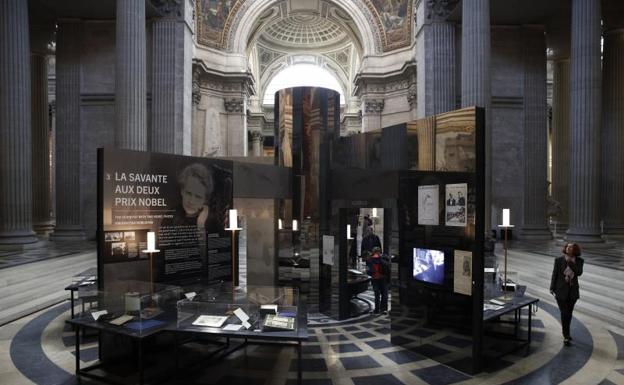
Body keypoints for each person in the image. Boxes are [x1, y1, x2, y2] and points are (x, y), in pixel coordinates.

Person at [163, 163, 221, 234]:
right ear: (182, 191)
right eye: (188, 193)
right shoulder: (170, 215)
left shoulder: (212, 222)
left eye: (198, 196)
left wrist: (200, 224)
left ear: (205, 199)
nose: (191, 201)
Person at [550, 242, 584, 346]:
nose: (569, 249)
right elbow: (554, 274)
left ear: (575, 250)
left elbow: (578, 273)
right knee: (564, 313)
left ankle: (566, 332)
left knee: (569, 314)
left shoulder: (579, 261)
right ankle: (566, 335)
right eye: (567, 247)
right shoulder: (559, 260)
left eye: (571, 247)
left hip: (572, 291)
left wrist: (571, 264)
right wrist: (552, 287)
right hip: (560, 290)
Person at [366, 246, 390, 314]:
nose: (376, 254)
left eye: (378, 252)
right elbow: (368, 270)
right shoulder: (369, 260)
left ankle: (382, 309)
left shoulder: (383, 259)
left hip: (382, 279)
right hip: (376, 279)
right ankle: (378, 309)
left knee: (383, 294)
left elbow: (387, 267)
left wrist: (380, 259)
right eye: (375, 252)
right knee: (378, 294)